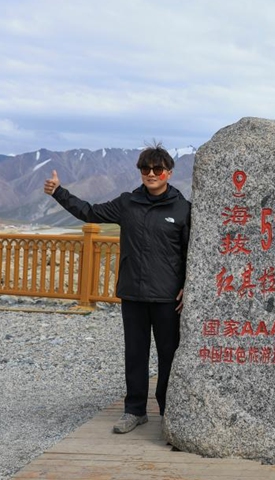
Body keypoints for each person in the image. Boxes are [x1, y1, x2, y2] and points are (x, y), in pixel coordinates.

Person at [43, 143, 191, 434]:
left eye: (158, 169)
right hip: (133, 292)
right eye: (145, 168)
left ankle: (168, 412)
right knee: (135, 354)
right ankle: (134, 410)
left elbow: (191, 253)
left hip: (167, 297)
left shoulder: (183, 208)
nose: (151, 174)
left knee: (169, 355)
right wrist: (59, 192)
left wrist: (189, 286)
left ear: (169, 173)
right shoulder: (127, 203)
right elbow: (89, 212)